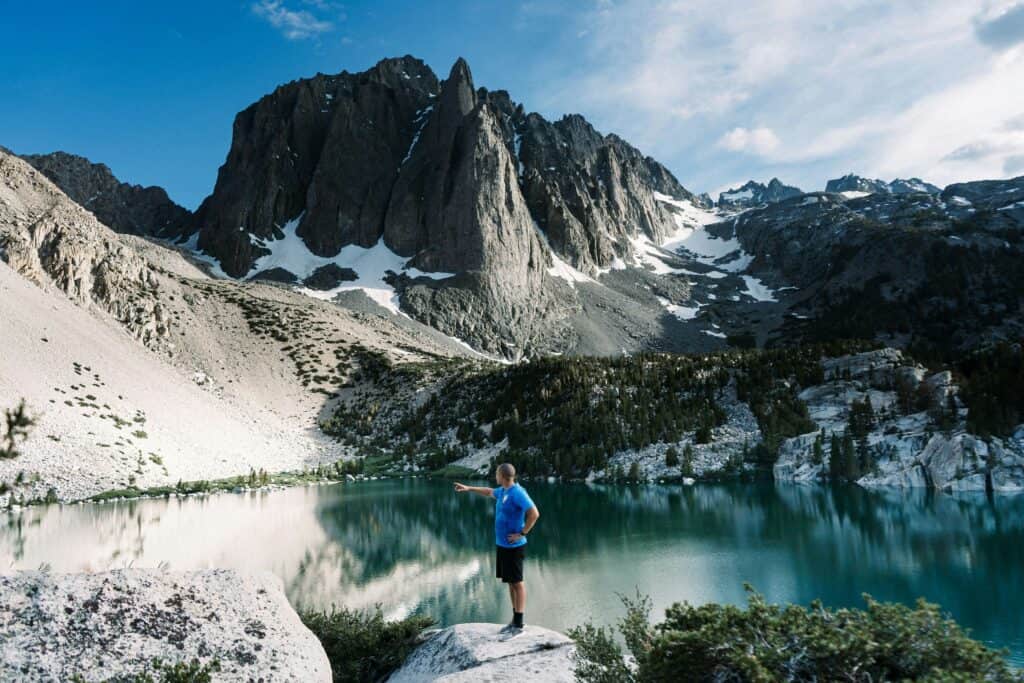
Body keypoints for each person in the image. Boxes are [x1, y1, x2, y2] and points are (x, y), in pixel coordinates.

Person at [454, 463, 539, 634]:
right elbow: (488, 491)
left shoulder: (517, 493)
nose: (495, 476)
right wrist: (468, 488)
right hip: (503, 545)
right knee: (510, 582)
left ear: (502, 476)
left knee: (517, 582)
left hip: (514, 546)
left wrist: (522, 533)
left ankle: (520, 623)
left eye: (496, 474)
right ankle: (515, 619)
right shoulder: (504, 491)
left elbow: (534, 513)